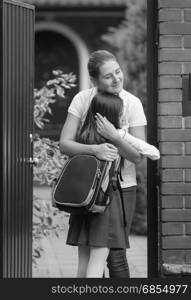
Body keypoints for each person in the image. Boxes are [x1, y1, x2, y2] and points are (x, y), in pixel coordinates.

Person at [59, 50, 159, 277]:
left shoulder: (132, 103)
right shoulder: (82, 99)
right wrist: (96, 149)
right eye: (108, 76)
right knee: (94, 253)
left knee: (114, 256)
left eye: (118, 72)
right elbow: (64, 144)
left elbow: (136, 156)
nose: (116, 79)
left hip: (121, 189)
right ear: (94, 80)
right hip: (86, 188)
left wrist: (114, 136)